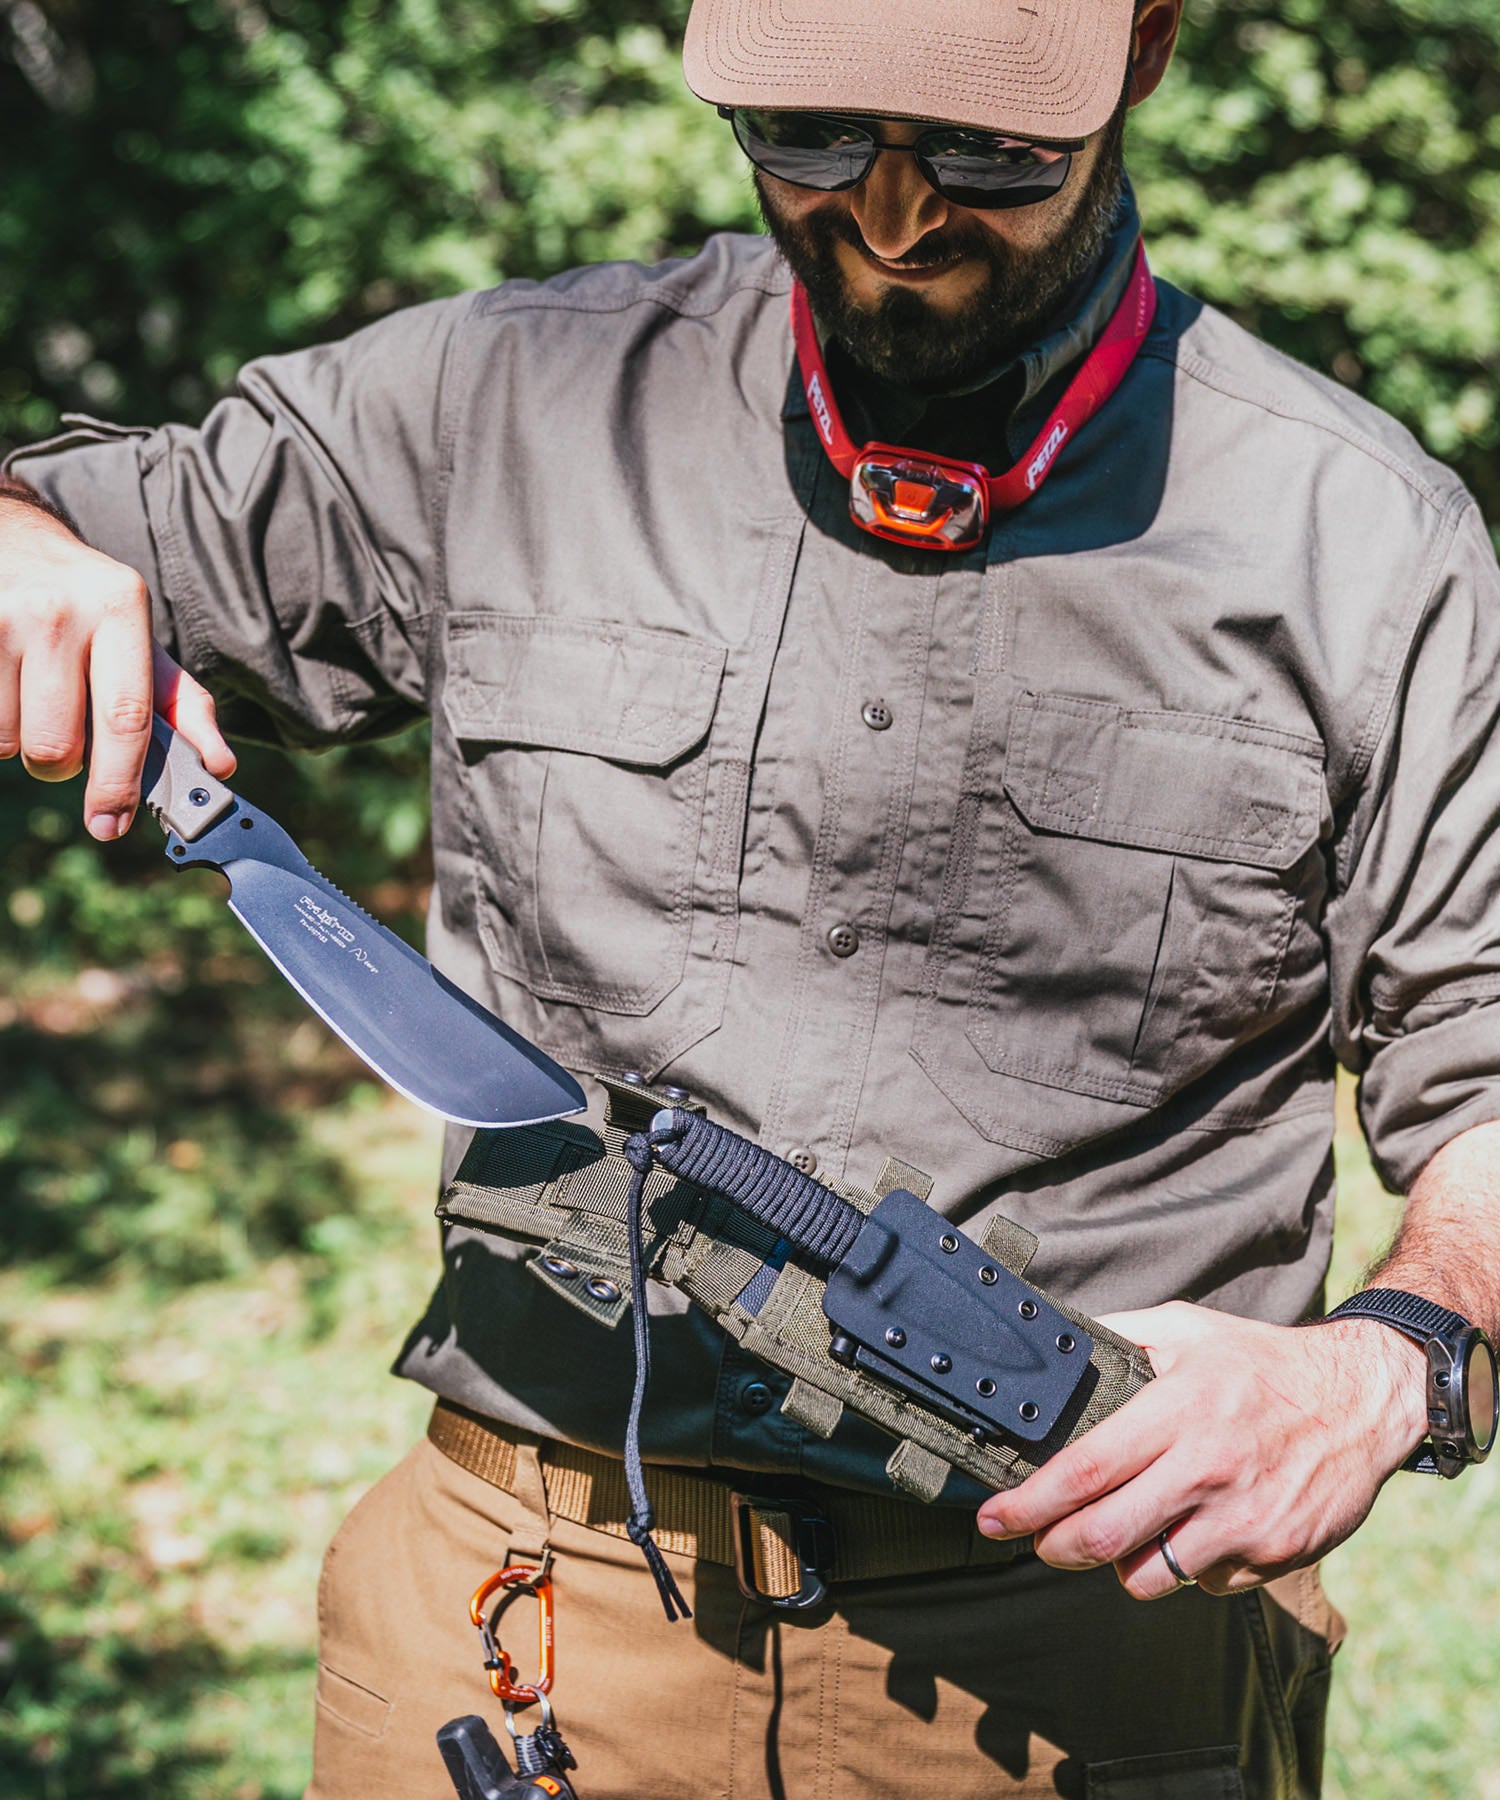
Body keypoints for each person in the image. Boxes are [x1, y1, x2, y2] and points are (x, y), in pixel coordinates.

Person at [3, 0, 1500, 1792]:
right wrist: (26, 549)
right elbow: (76, 532)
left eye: (987, 150)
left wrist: (1391, 1364)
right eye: (807, 133)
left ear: (1148, 53)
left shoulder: (1361, 542)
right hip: (516, 1626)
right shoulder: (508, 405)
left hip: (1082, 1670)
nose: (888, 215)